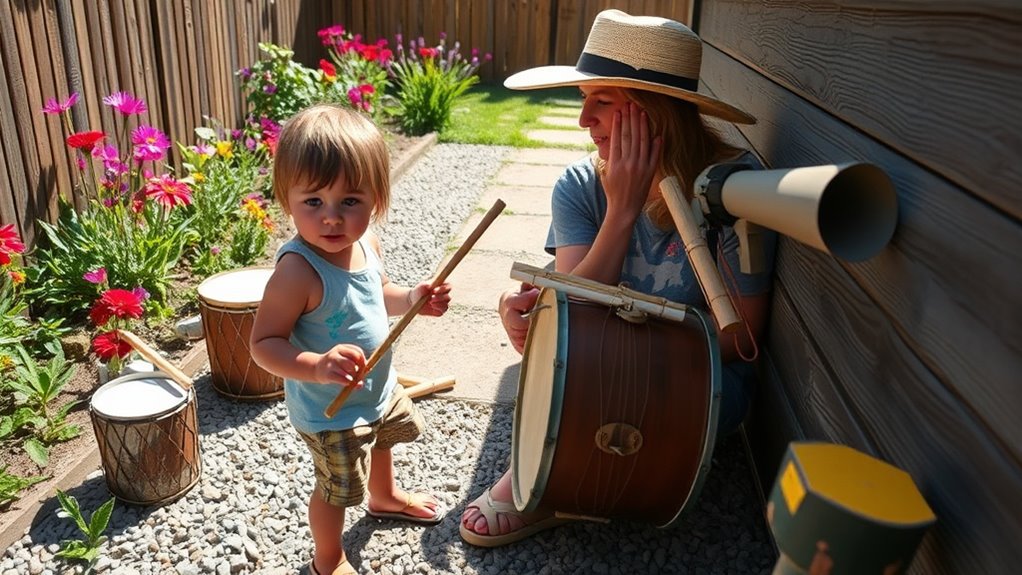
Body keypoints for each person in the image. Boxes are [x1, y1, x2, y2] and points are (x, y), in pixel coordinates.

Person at [459, 10, 776, 547]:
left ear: (655, 111)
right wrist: (620, 211)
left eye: (601, 102)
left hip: (697, 385)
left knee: (575, 383)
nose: (584, 120)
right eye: (584, 99)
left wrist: (613, 347)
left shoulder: (731, 191)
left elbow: (739, 338)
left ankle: (550, 482)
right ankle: (574, 476)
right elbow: (574, 309)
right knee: (561, 363)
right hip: (602, 367)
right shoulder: (580, 186)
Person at [250, 104, 452, 575]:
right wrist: (317, 364)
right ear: (287, 199)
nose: (332, 219)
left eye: (350, 202)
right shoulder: (297, 272)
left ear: (376, 199)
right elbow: (264, 345)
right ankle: (328, 557)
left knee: (384, 441)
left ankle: (384, 497)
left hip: (379, 387)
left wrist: (414, 297)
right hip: (331, 409)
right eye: (313, 202)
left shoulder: (368, 246)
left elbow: (378, 295)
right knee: (336, 488)